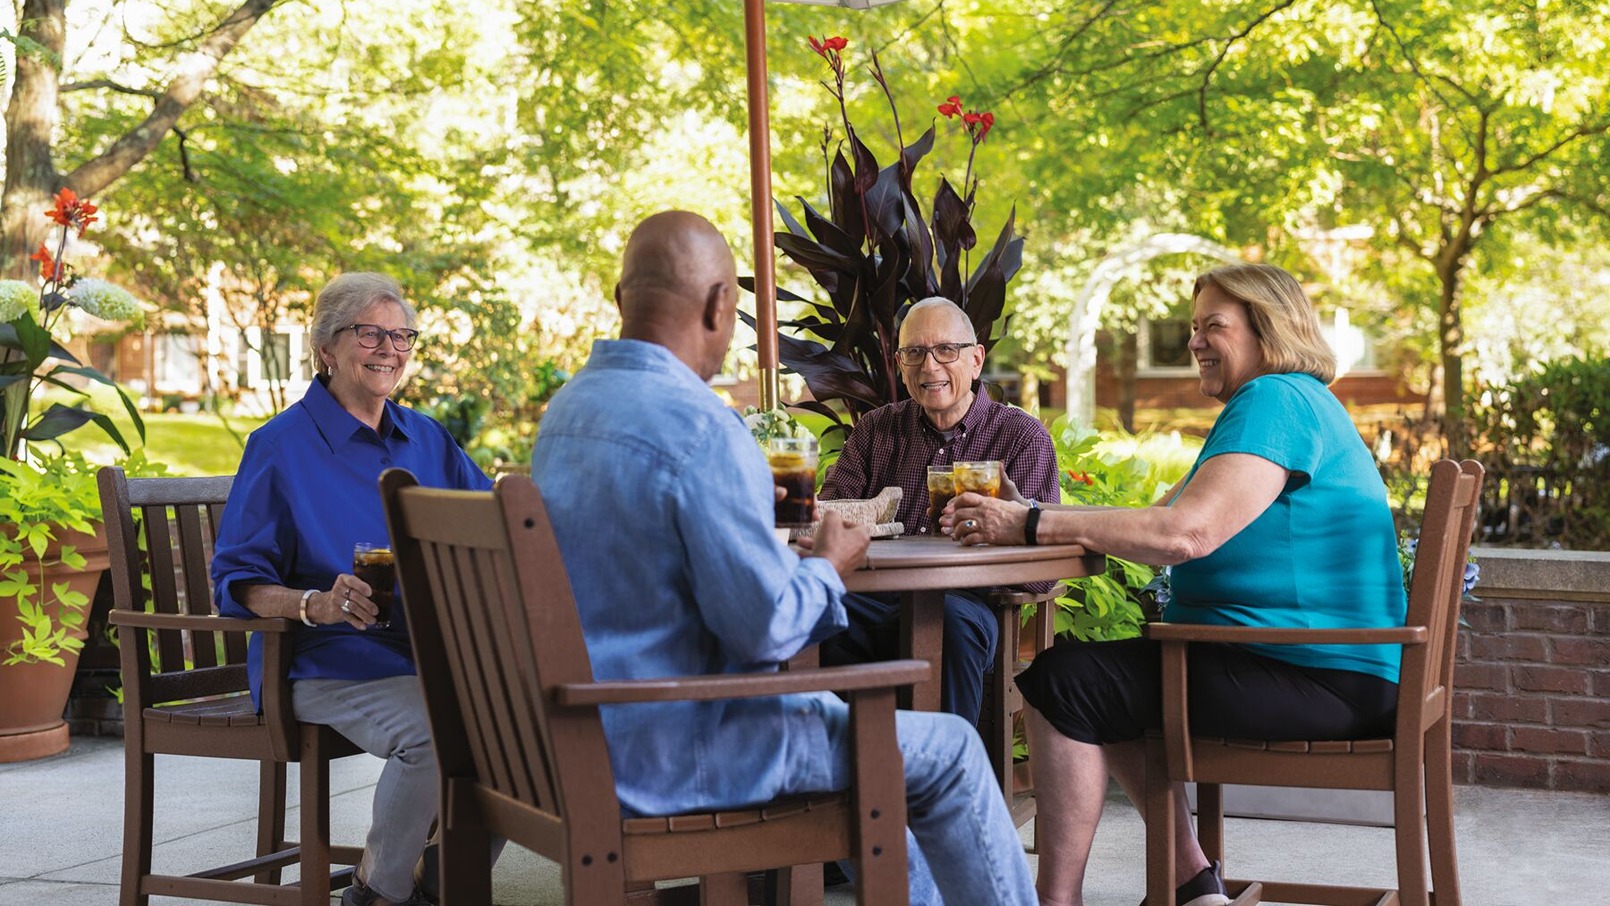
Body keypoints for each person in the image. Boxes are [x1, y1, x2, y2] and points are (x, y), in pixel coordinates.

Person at [530, 210, 1037, 905]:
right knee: (946, 750)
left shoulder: (566, 414)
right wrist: (825, 567)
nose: (930, 367)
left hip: (570, 736)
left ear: (623, 301)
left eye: (946, 352)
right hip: (681, 741)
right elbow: (766, 629)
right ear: (718, 306)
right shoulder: (702, 430)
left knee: (873, 716)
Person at [945, 263, 1407, 906]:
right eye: (1194, 327)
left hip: (1315, 675)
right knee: (1105, 681)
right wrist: (1032, 515)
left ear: (1267, 330)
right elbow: (1159, 519)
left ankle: (1059, 902)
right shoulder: (1282, 405)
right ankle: (1191, 883)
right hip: (1314, 667)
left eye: (1212, 326)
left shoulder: (1275, 401)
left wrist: (1029, 523)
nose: (1193, 342)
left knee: (1062, 684)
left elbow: (1185, 536)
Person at [211, 273, 496, 906]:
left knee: (513, 725)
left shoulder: (425, 437)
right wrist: (317, 605)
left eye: (401, 336)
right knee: (435, 732)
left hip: (421, 654)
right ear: (327, 350)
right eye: (370, 333)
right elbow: (237, 580)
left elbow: (490, 523)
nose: (389, 349)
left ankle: (439, 884)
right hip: (321, 661)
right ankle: (376, 893)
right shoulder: (279, 447)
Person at [820, 296, 1061, 725]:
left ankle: (946, 782)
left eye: (945, 350)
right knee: (813, 613)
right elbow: (830, 518)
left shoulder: (1020, 437)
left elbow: (1042, 571)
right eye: (914, 353)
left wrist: (1004, 524)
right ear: (900, 363)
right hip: (875, 597)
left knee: (945, 624)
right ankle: (842, 780)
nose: (929, 367)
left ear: (975, 359)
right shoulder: (877, 428)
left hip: (967, 603)